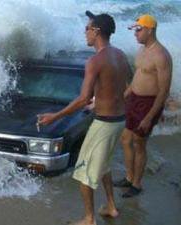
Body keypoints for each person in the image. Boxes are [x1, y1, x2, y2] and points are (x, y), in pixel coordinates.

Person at [37, 11, 131, 225]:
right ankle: (111, 207)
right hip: (119, 121)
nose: (85, 33)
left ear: (96, 31)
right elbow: (127, 87)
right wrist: (103, 99)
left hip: (104, 124)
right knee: (104, 165)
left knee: (83, 173)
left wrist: (54, 116)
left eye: (87, 29)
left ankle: (89, 219)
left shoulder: (94, 61)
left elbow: (82, 100)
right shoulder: (120, 55)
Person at [114, 14, 173, 198]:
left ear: (150, 30)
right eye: (134, 30)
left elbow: (164, 91)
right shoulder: (142, 50)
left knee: (139, 143)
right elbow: (137, 79)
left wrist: (149, 117)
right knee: (125, 139)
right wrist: (124, 96)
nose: (135, 34)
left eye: (139, 30)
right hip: (134, 99)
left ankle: (137, 184)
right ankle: (129, 177)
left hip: (148, 104)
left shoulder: (161, 56)